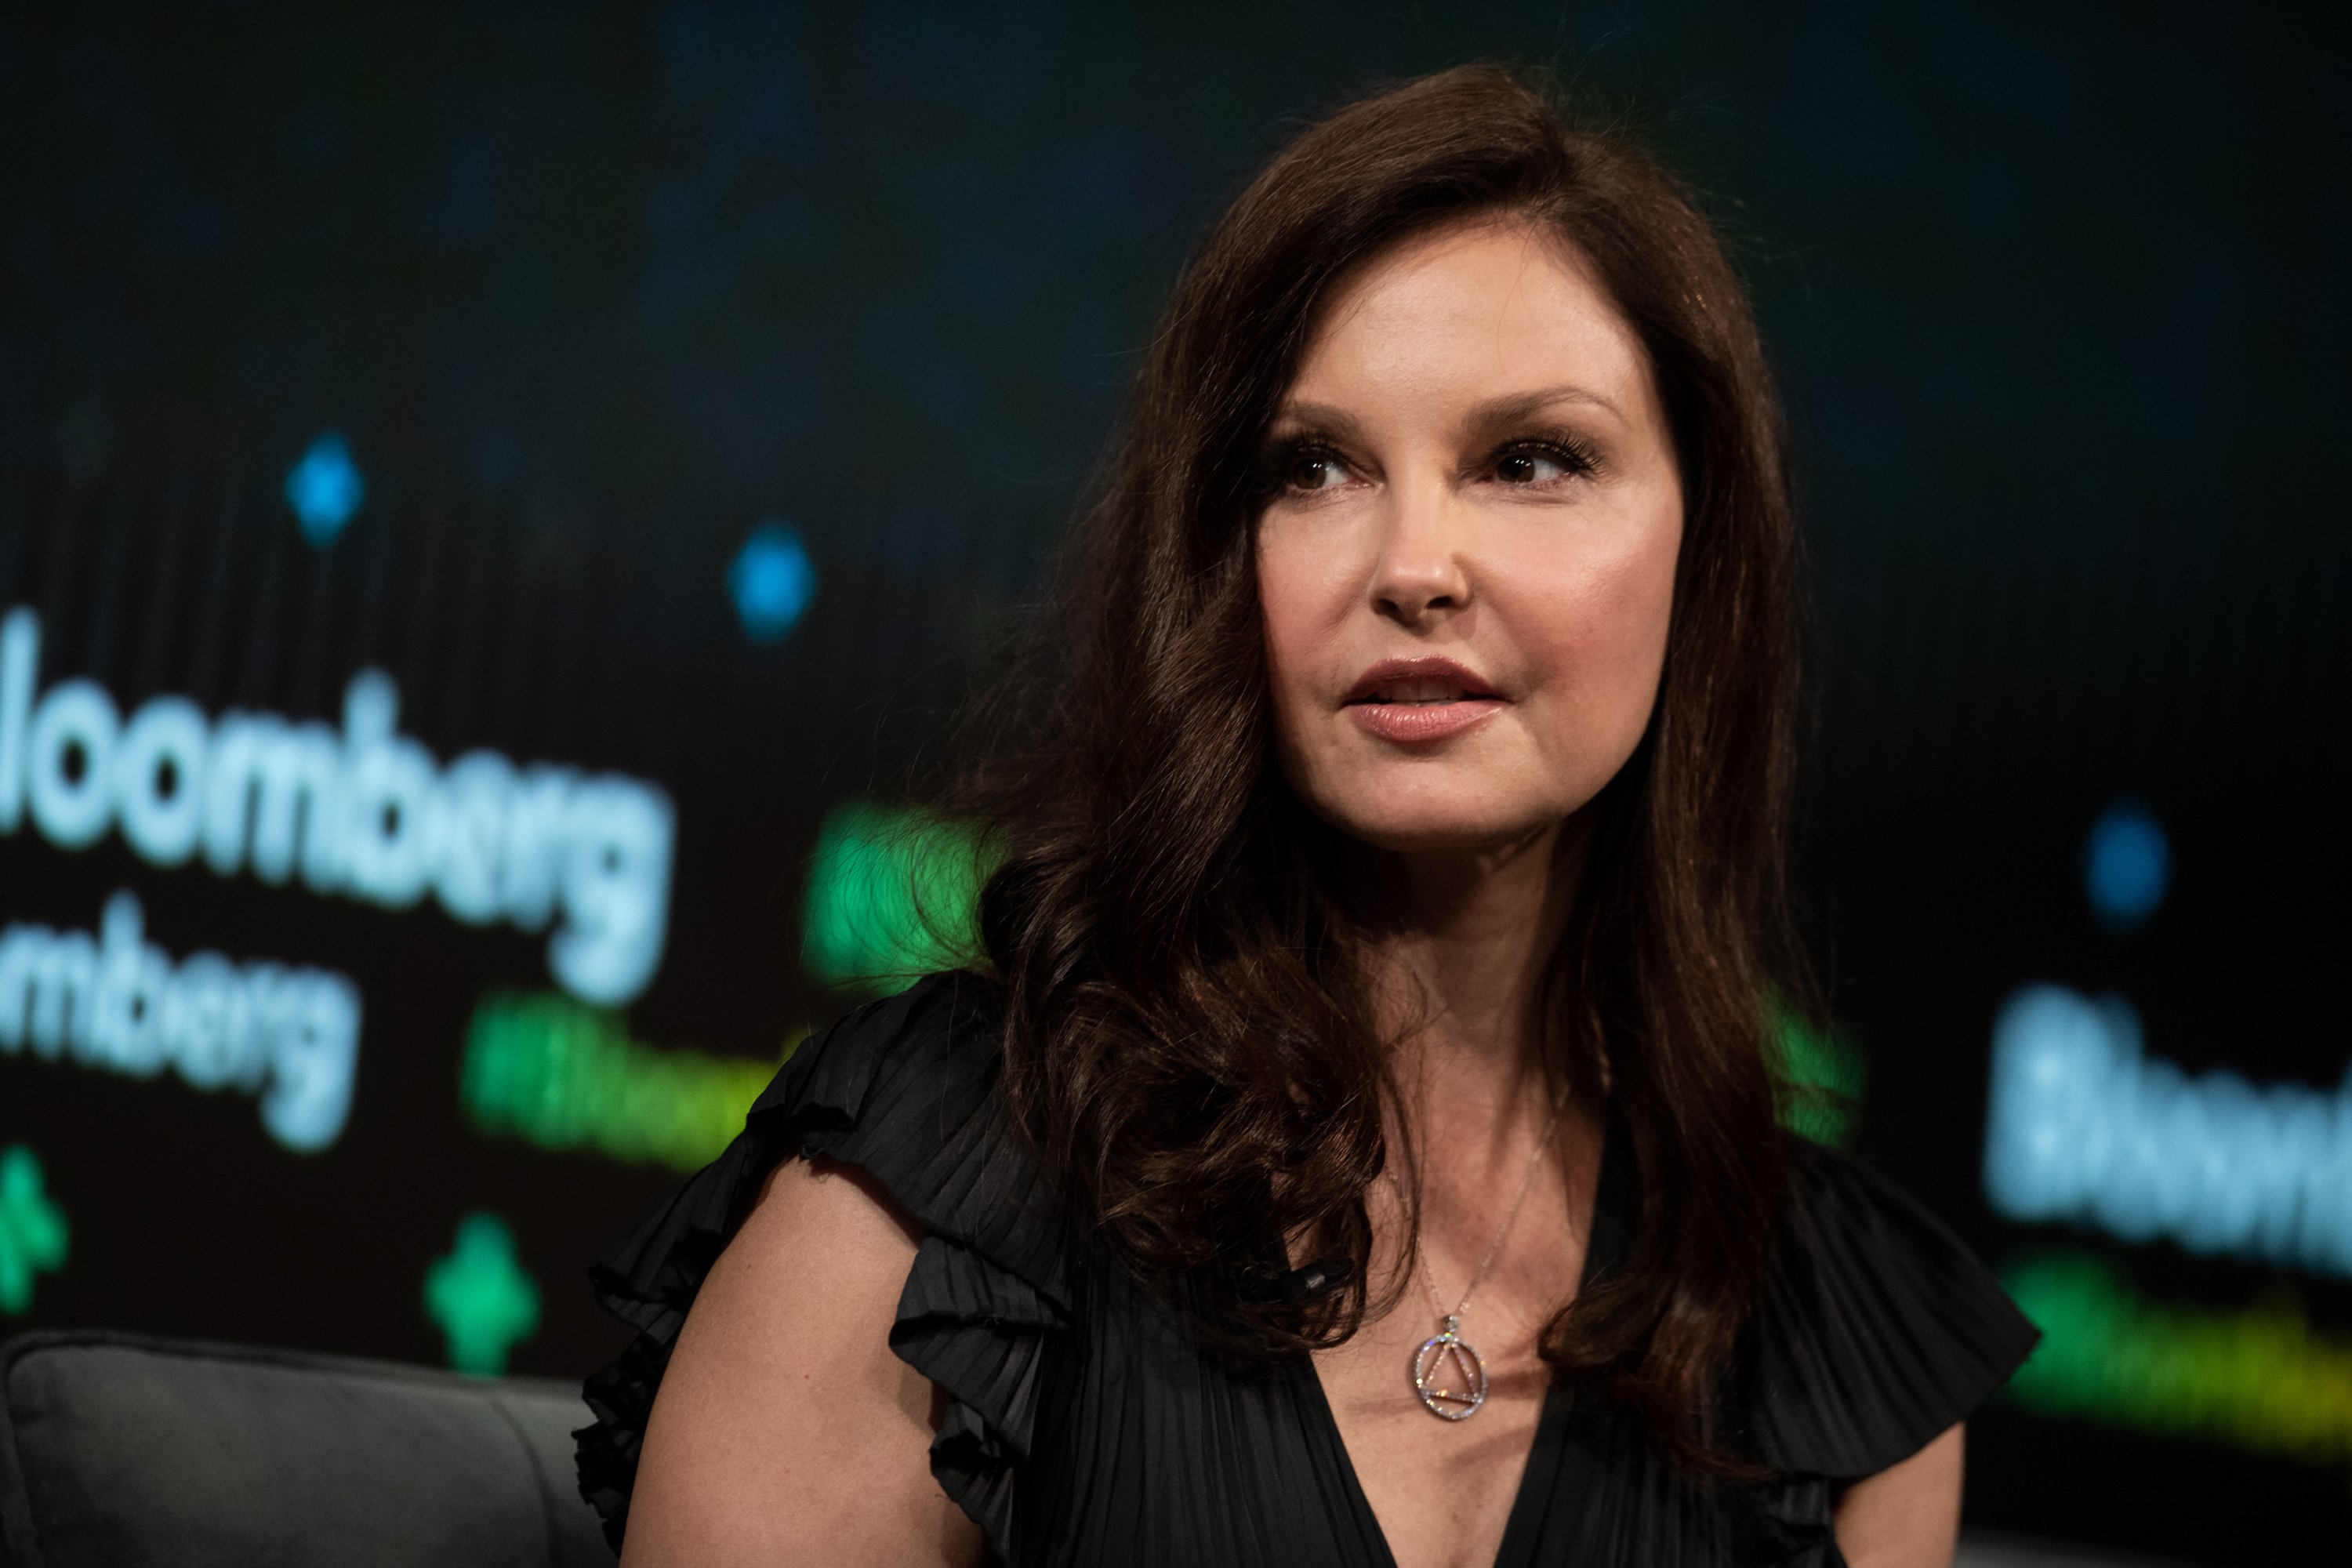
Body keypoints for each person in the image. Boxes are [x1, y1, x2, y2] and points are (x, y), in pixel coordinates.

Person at [576, 65, 2036, 1568]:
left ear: (1702, 547)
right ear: (1219, 560)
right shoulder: (943, 1188)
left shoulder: (1835, 1340)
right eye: (1315, 467)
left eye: (1532, 459)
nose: (1414, 563)